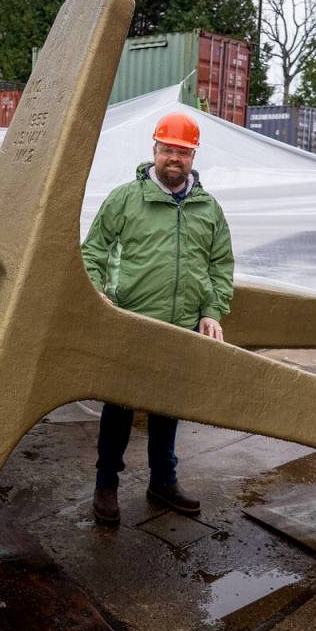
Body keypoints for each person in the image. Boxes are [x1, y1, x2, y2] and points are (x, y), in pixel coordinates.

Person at [80, 112, 235, 525]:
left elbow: (220, 265)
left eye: (182, 152)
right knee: (119, 408)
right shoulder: (125, 200)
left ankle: (163, 481)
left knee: (168, 407)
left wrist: (211, 311)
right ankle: (106, 484)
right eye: (167, 150)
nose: (174, 158)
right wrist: (96, 292)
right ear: (154, 150)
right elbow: (93, 251)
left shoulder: (208, 209)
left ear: (193, 156)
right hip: (130, 322)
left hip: (181, 326)